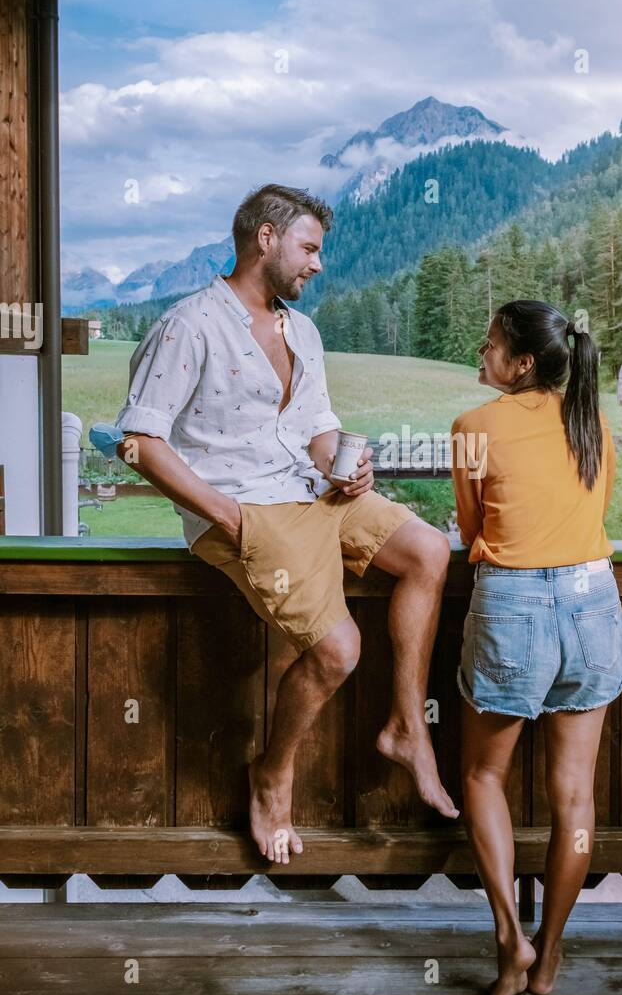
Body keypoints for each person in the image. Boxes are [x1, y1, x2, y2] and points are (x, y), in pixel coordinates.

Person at [116, 184, 458, 865]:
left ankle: (406, 728)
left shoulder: (302, 331)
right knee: (339, 651)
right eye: (309, 248)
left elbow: (317, 432)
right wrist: (227, 515)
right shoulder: (191, 325)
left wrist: (350, 469)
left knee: (427, 551)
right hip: (248, 507)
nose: (318, 265)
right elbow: (140, 442)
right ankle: (273, 776)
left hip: (312, 492)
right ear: (264, 240)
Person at [450, 300, 622, 995]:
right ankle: (551, 956)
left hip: (512, 606)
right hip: (592, 602)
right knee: (575, 796)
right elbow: (595, 510)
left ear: (521, 363)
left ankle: (510, 939)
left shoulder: (472, 428)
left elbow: (472, 529)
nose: (482, 349)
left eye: (492, 342)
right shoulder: (594, 423)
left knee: (480, 778)